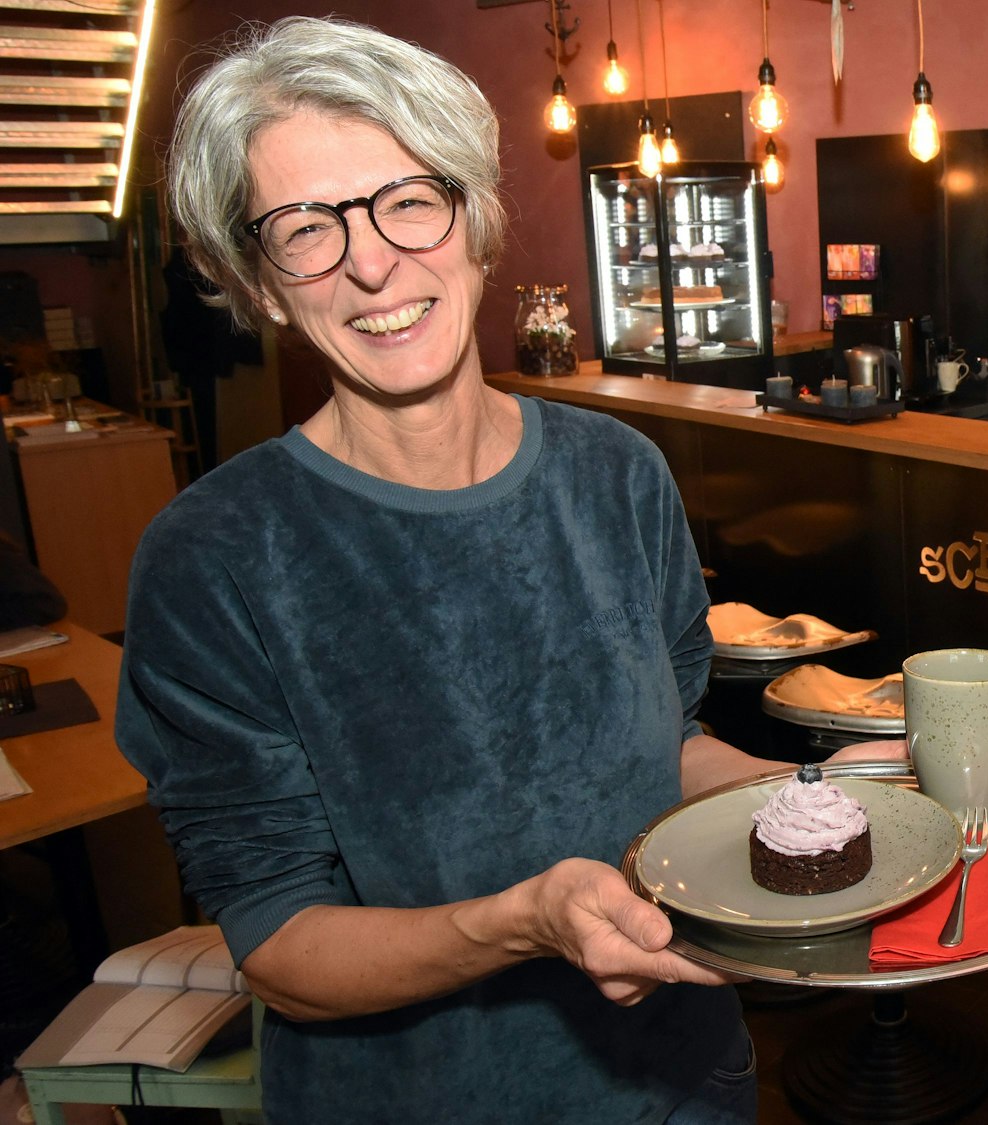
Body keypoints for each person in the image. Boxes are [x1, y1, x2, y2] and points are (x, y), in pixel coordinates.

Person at [117, 17, 816, 1123]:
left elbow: (663, 746)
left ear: (476, 217)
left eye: (408, 197)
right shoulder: (215, 557)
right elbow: (280, 946)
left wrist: (825, 810)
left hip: (684, 1086)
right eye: (304, 228)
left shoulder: (618, 474)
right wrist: (523, 921)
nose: (371, 260)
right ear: (258, 285)